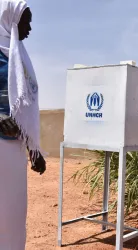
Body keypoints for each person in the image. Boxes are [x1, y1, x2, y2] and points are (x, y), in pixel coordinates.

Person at [0, 1, 46, 249]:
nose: (29, 28)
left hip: (14, 150)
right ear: (10, 21)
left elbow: (26, 107)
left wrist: (33, 150)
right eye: (25, 21)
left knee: (13, 213)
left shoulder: (19, 57)